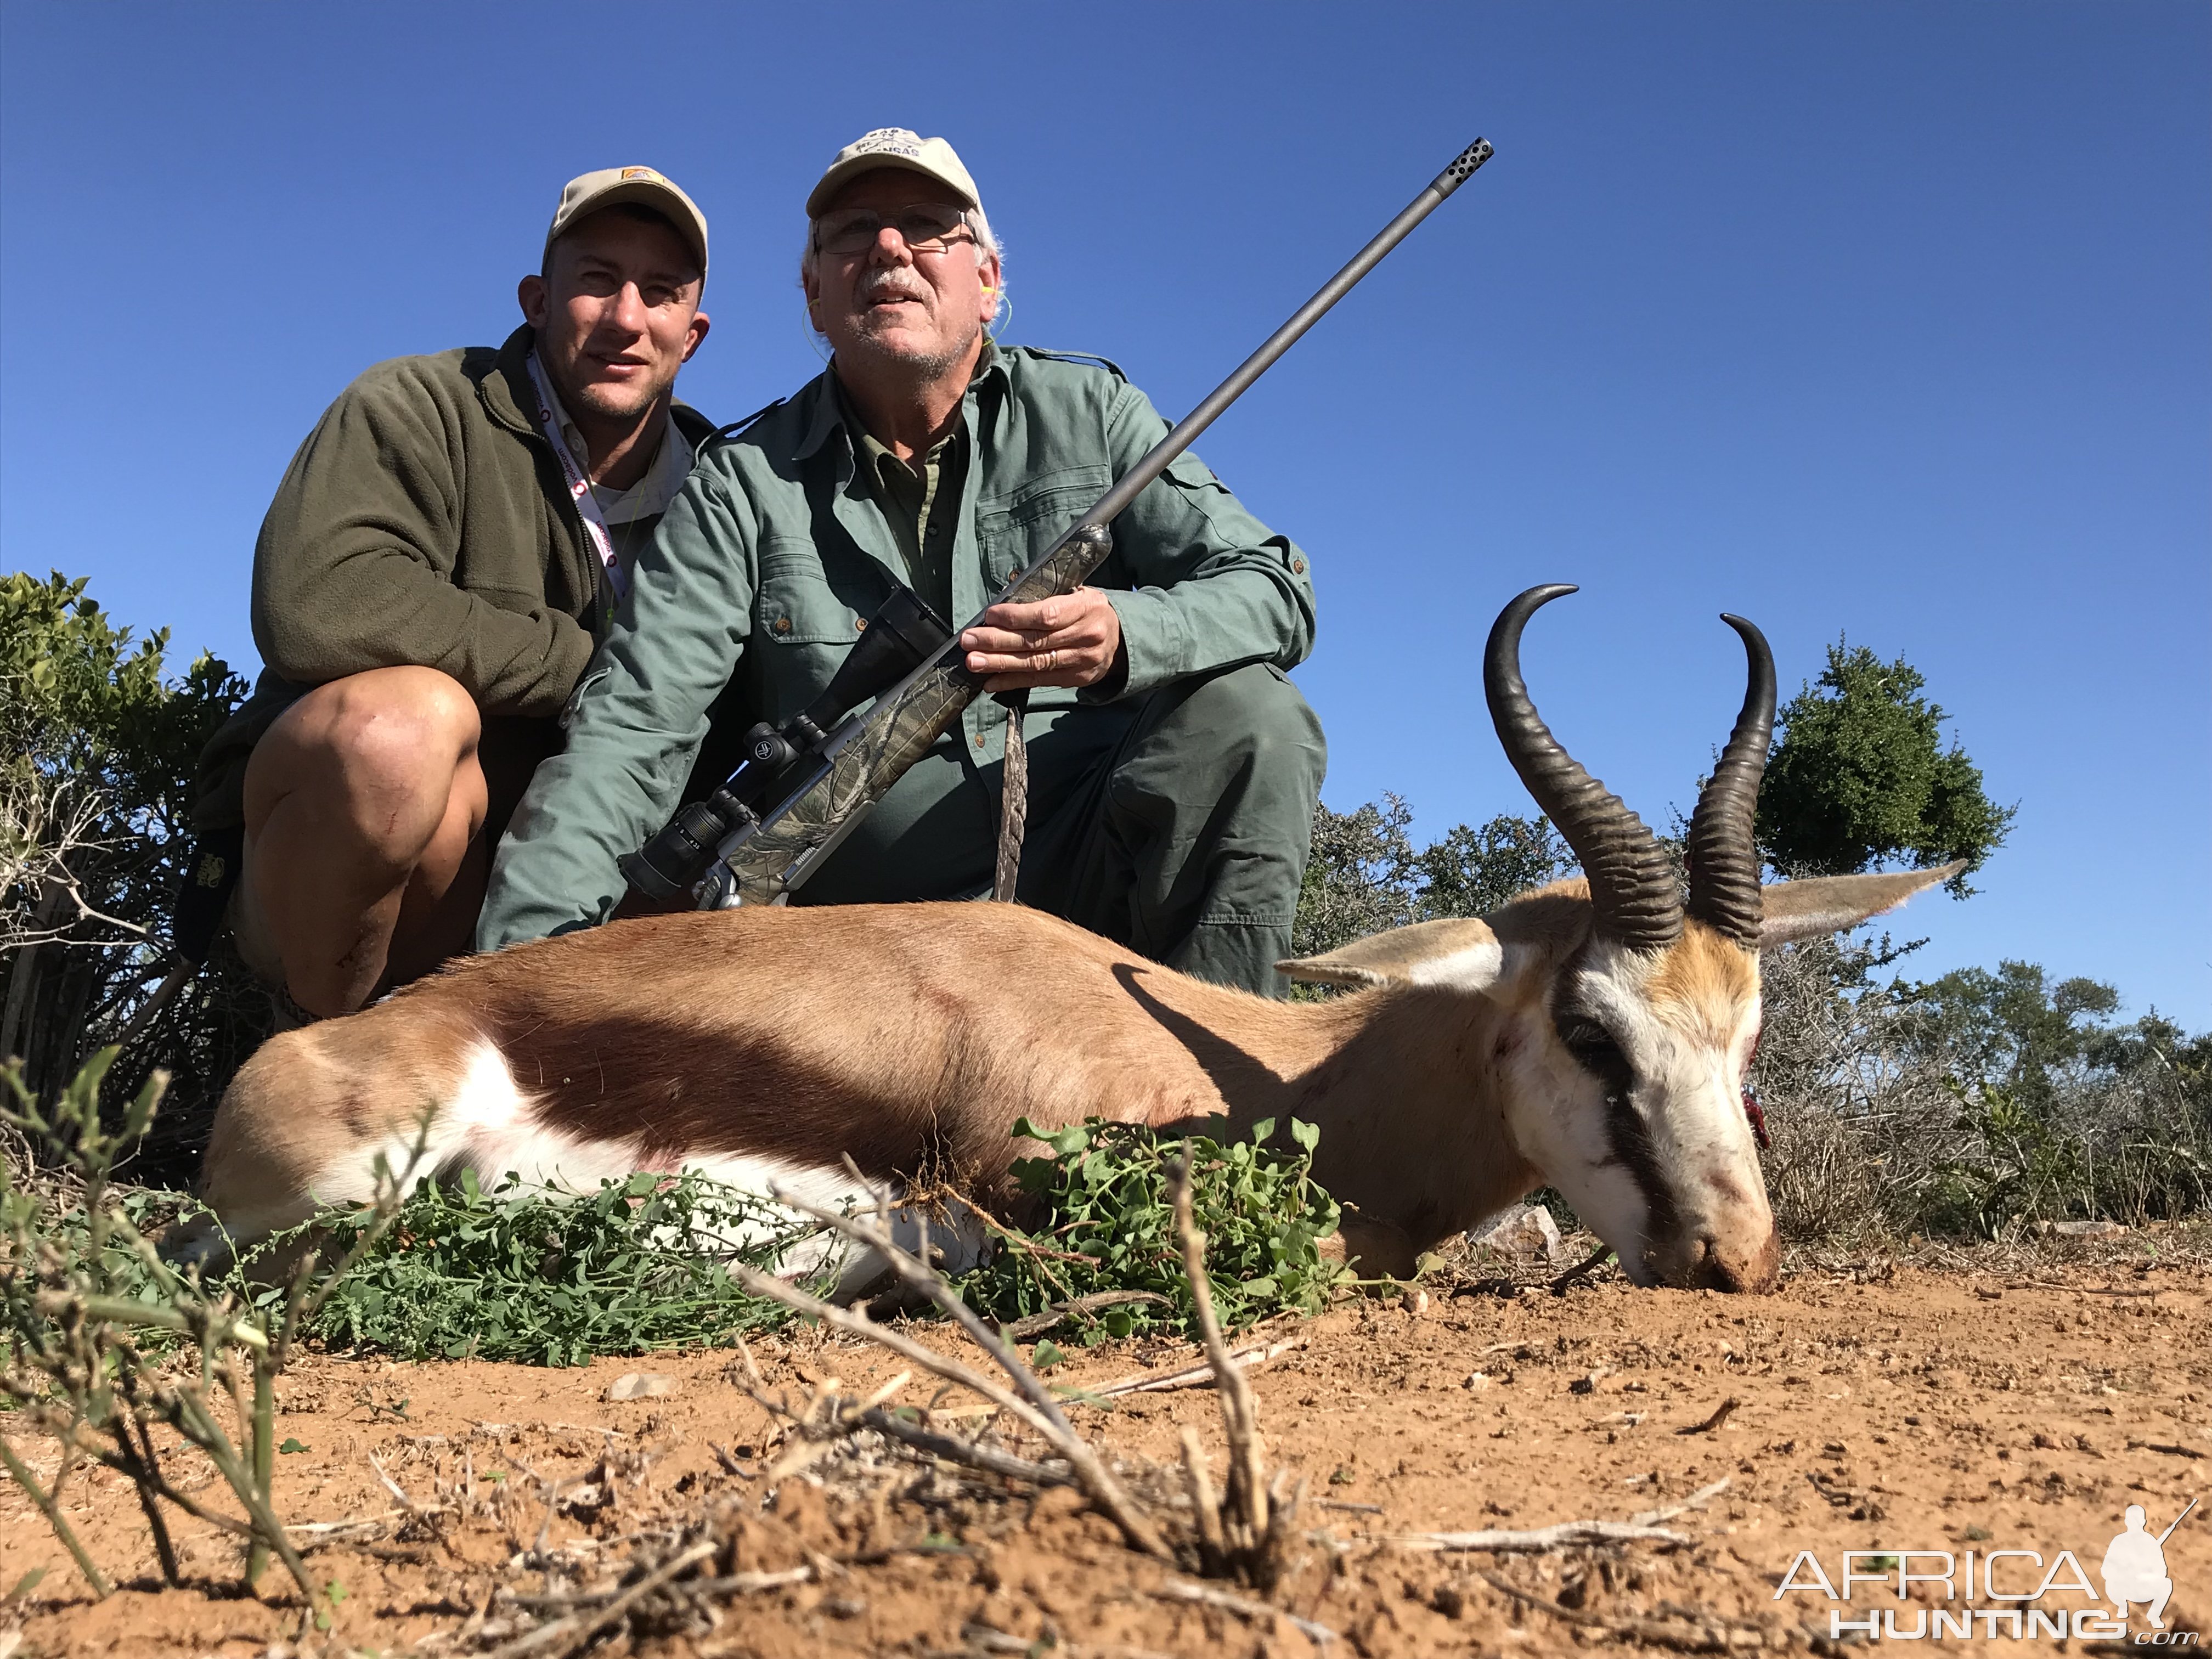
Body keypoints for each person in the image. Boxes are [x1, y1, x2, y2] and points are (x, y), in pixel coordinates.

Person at [478, 129, 1324, 994]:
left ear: (987, 282)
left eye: (927, 226)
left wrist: (1127, 633)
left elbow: (1274, 591)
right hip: (847, 942)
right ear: (813, 296)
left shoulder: (1094, 414)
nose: (888, 247)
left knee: (1254, 712)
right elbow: (634, 730)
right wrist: (512, 984)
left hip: (1084, 888)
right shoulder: (740, 480)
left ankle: (1212, 1108)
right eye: (851, 233)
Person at [191, 167, 717, 1021]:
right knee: (399, 734)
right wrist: (611, 674)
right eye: (596, 280)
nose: (627, 317)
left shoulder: (724, 482)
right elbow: (320, 604)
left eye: (659, 293)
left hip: (596, 867)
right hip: (386, 861)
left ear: (690, 335)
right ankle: (334, 1059)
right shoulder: (417, 405)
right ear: (537, 301)